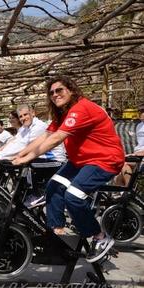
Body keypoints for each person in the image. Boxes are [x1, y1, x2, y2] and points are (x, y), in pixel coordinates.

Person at [13, 75, 125, 263]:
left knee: (73, 196)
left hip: (104, 160)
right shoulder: (64, 112)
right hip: (81, 161)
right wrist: (20, 155)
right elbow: (46, 135)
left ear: (71, 90)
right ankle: (57, 233)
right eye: (51, 93)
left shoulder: (81, 108)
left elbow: (56, 139)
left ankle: (100, 237)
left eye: (59, 90)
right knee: (53, 186)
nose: (55, 95)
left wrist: (28, 158)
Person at [0, 105, 65, 162]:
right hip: (38, 157)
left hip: (52, 159)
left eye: (25, 114)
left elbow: (24, 146)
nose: (23, 118)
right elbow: (15, 142)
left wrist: (1, 157)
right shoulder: (24, 128)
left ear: (32, 113)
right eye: (20, 116)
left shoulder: (38, 126)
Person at [115, 108, 144, 186]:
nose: (141, 113)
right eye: (140, 111)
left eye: (143, 111)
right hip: (137, 156)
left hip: (140, 157)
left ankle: (127, 191)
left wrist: (136, 154)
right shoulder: (139, 126)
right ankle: (118, 194)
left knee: (124, 164)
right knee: (119, 168)